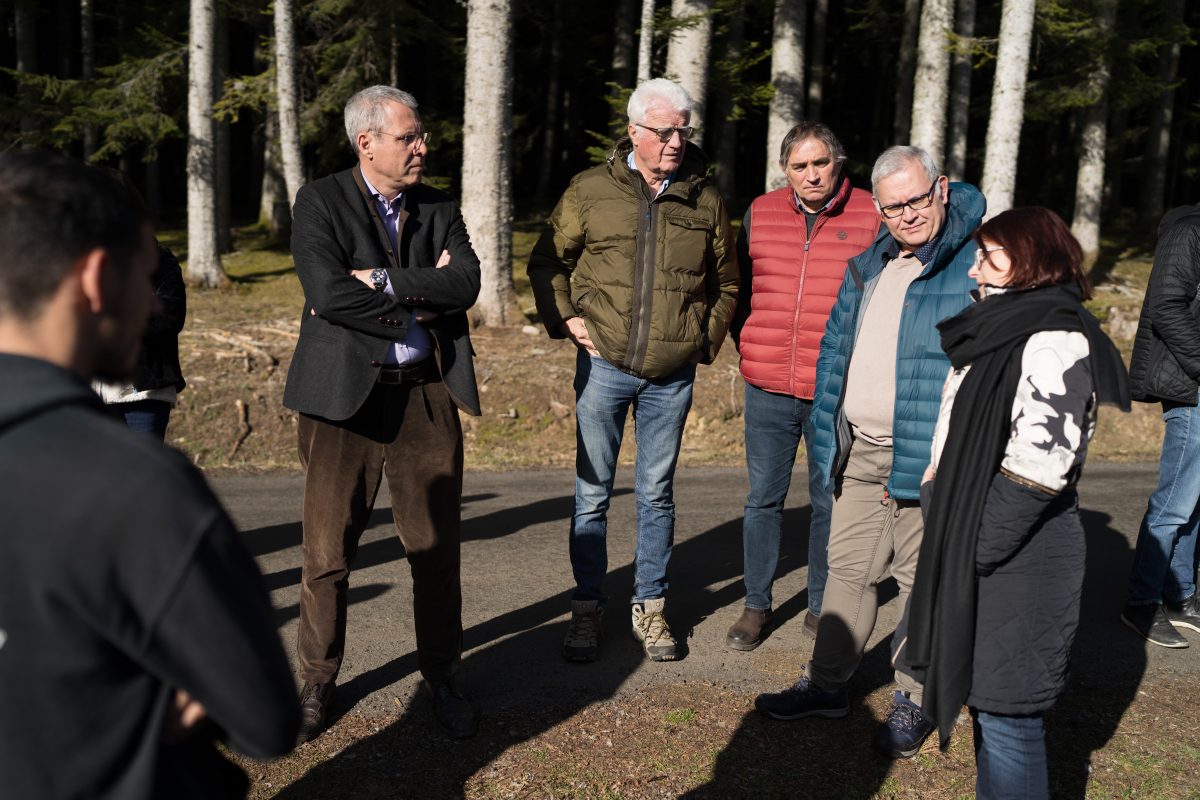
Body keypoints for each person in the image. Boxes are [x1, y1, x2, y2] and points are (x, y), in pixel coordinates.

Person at [0, 151, 298, 798]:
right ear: (98, 279)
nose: (150, 301)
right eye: (142, 274)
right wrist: (141, 700)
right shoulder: (134, 489)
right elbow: (267, 717)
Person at [754, 146, 983, 759]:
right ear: (877, 209)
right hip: (862, 453)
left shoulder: (973, 266)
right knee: (848, 572)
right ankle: (828, 685)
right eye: (892, 206)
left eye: (915, 199)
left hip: (929, 455)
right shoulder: (869, 264)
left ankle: (914, 698)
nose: (906, 214)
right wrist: (832, 439)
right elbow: (835, 355)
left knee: (916, 580)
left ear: (941, 189)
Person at [901, 207, 1129, 798]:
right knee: (988, 707)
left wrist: (971, 547)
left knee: (1009, 720)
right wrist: (935, 490)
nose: (974, 264)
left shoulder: (1055, 337)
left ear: (1029, 262)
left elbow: (1041, 464)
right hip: (982, 541)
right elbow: (955, 433)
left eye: (989, 255)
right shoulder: (999, 325)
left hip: (1022, 558)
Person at [284, 85, 482, 742]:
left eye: (422, 135)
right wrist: (424, 298)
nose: (422, 146)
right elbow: (325, 292)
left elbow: (469, 284)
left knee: (434, 550)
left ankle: (443, 674)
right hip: (343, 399)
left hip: (425, 393)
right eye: (409, 137)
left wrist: (386, 281)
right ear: (366, 142)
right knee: (326, 552)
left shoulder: (438, 206)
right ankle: (316, 678)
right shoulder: (320, 200)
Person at [528, 78, 738, 663]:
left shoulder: (705, 199)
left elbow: (728, 284)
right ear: (634, 132)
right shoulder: (591, 191)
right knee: (592, 493)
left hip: (671, 375)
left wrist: (703, 341)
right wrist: (567, 320)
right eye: (665, 131)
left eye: (684, 131)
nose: (676, 141)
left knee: (655, 494)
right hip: (604, 368)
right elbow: (549, 260)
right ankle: (587, 607)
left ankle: (650, 606)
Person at [727, 122, 880, 650]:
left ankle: (821, 605)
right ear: (784, 170)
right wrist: (749, 343)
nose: (811, 175)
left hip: (833, 388)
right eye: (800, 166)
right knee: (763, 499)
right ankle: (755, 605)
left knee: (828, 498)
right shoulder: (760, 212)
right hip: (767, 383)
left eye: (820, 163)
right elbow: (738, 289)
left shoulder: (870, 213)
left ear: (838, 163)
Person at [1122, 202, 1200, 649]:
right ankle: (1141, 601)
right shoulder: (1189, 231)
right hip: (1190, 386)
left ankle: (1180, 593)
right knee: (1176, 500)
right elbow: (1167, 307)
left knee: (1196, 501)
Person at [93, 242, 187, 439]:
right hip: (89, 393)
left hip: (142, 393)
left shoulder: (160, 260)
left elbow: (169, 318)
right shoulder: (83, 259)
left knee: (142, 466)